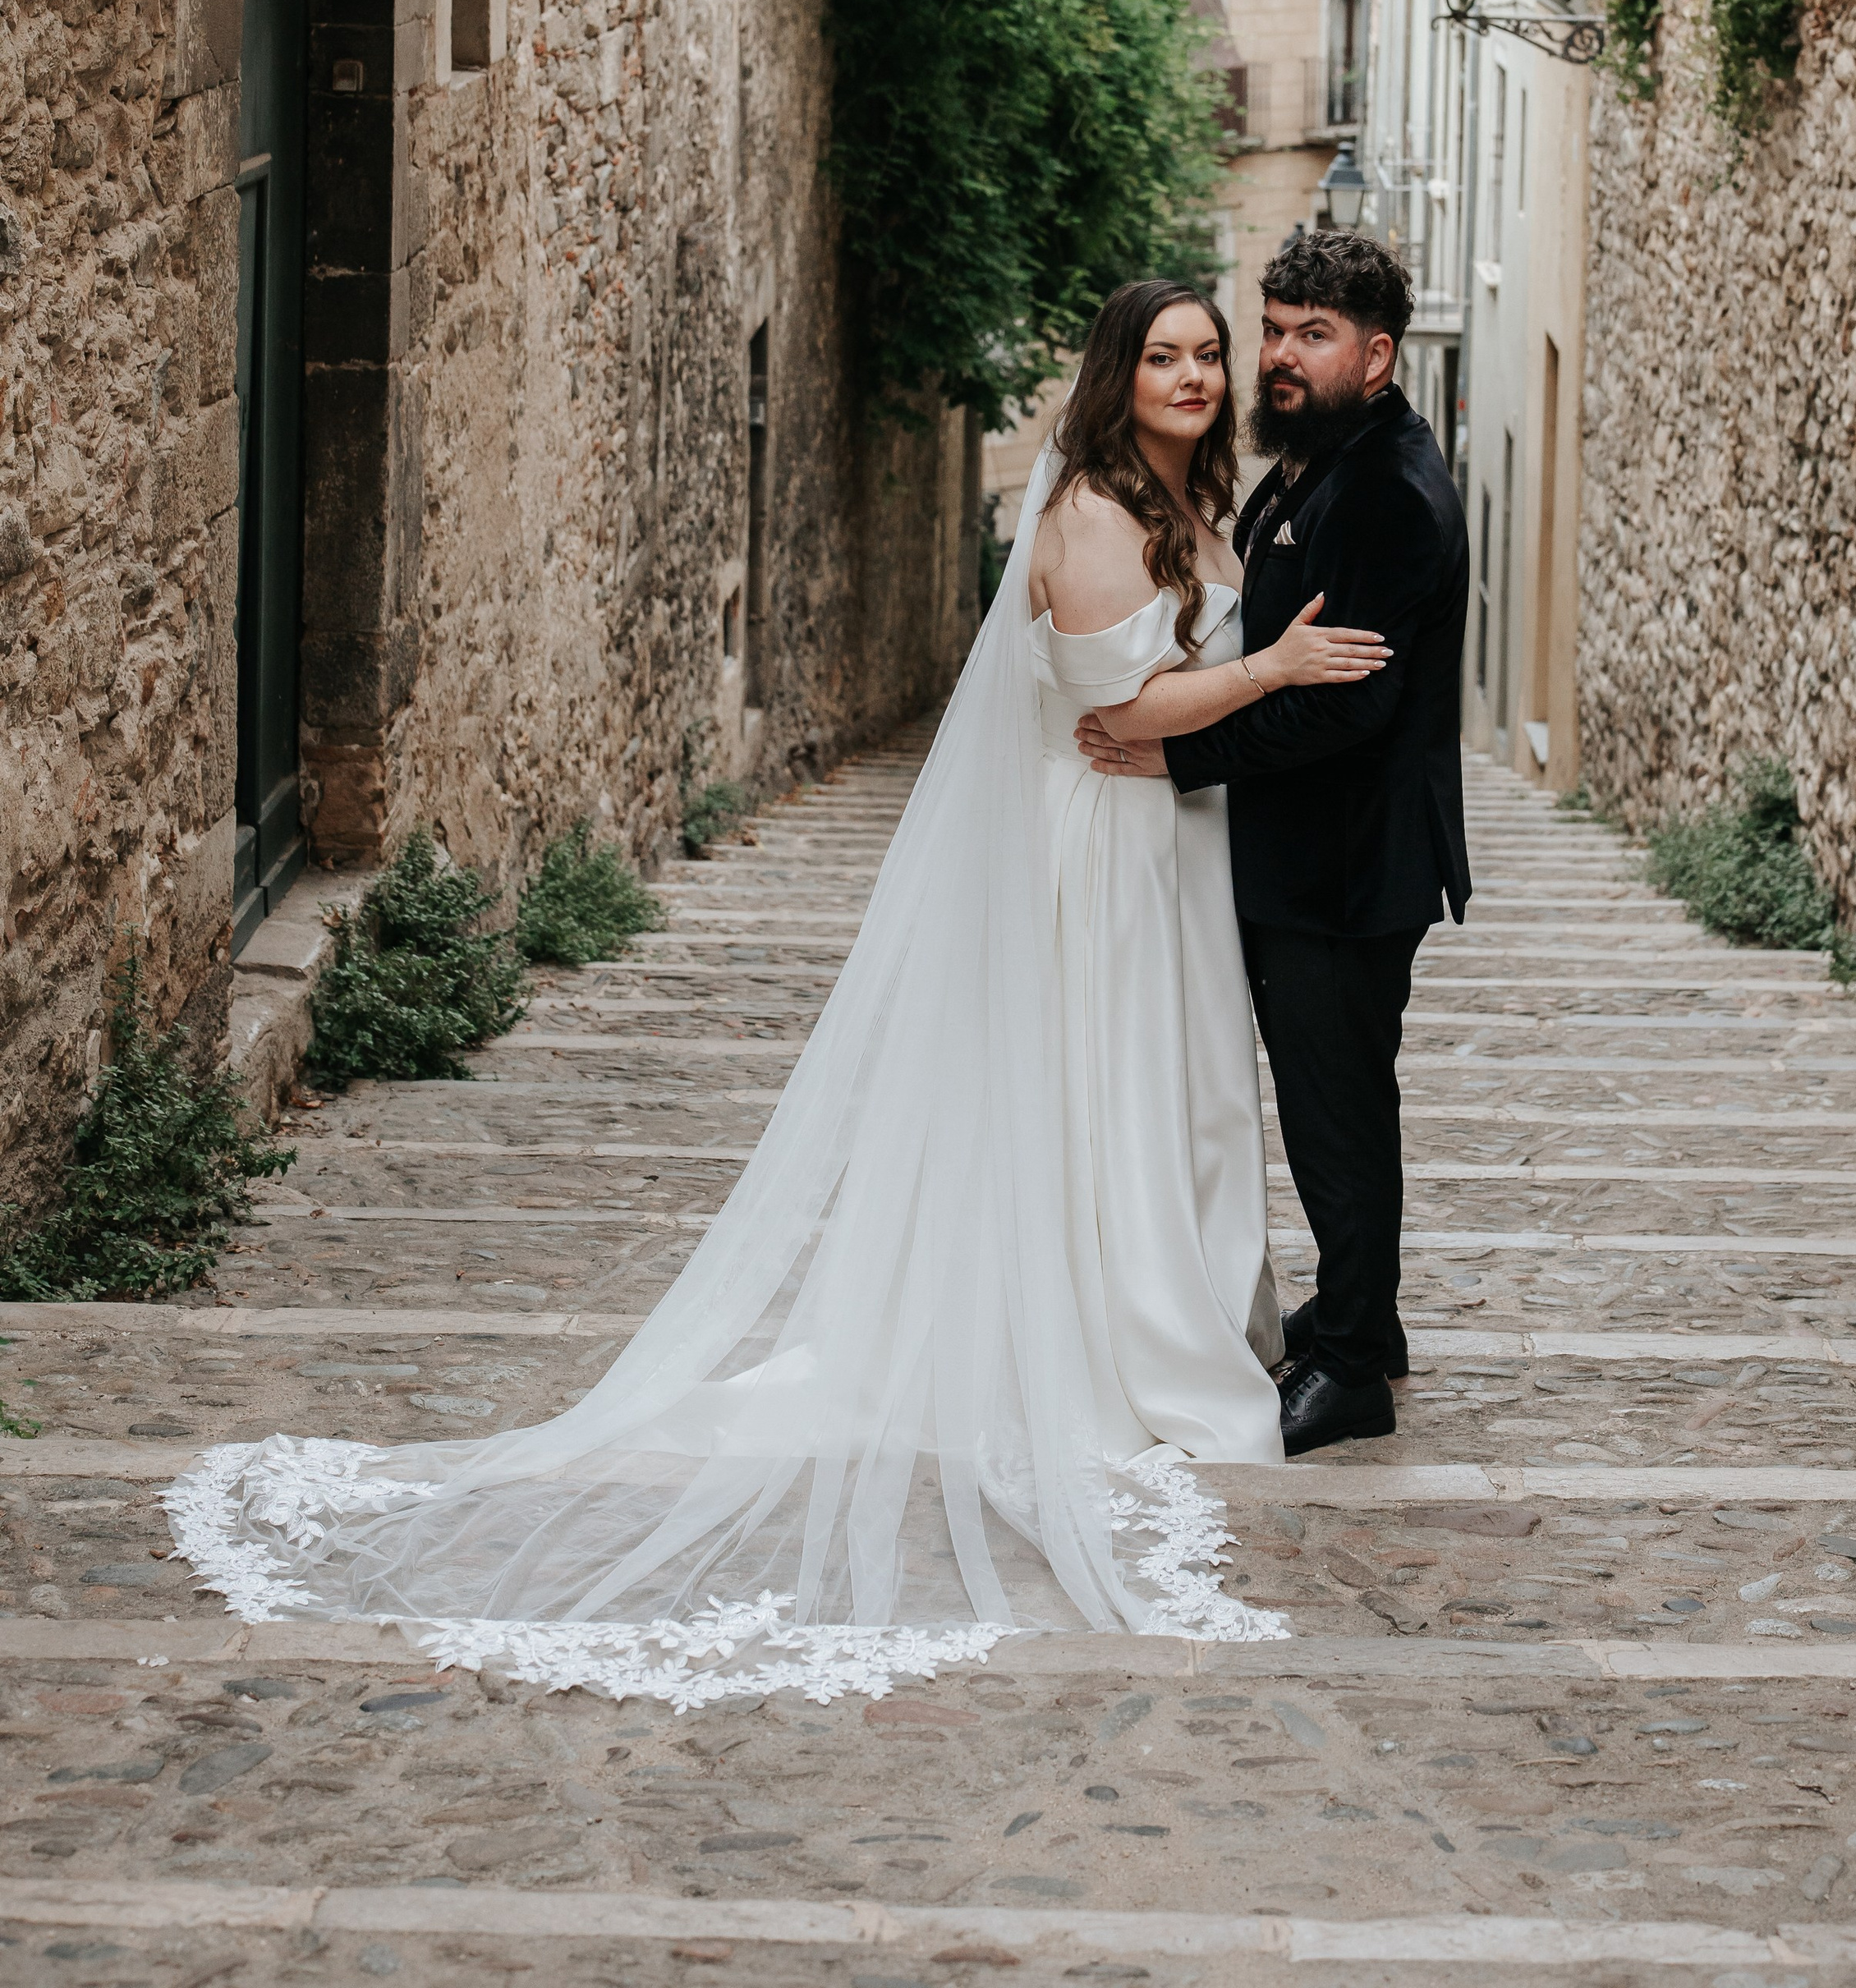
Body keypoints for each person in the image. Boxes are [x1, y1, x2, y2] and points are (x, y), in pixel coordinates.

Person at [165, 277, 1387, 1710]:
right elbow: (1118, 714)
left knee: (1175, 1086)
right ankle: (1119, 1339)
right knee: (1108, 1084)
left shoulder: (1205, 513)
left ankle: (1170, 1307)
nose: (1191, 376)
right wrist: (1282, 668)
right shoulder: (1091, 516)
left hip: (1172, 846)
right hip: (1107, 856)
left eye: (1207, 356)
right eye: (1163, 357)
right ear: (1115, 378)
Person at [1079, 229, 1469, 1459]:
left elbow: (1350, 701)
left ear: (1380, 352)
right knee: (1332, 1104)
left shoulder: (1390, 491)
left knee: (1336, 1112)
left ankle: (1349, 1367)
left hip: (1347, 868)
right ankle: (1368, 1316)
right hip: (1305, 858)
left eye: (1317, 336)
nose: (1286, 355)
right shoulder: (1318, 463)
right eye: (1281, 327)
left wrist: (1179, 754)